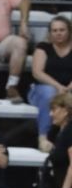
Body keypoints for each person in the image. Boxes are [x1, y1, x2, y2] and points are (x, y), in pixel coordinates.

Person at [28, 16, 72, 152]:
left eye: (62, 30)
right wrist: (59, 87)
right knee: (49, 93)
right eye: (55, 30)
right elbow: (37, 72)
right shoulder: (43, 47)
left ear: (69, 31)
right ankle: (43, 138)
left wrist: (69, 88)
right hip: (42, 89)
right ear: (50, 33)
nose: (58, 33)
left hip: (69, 89)